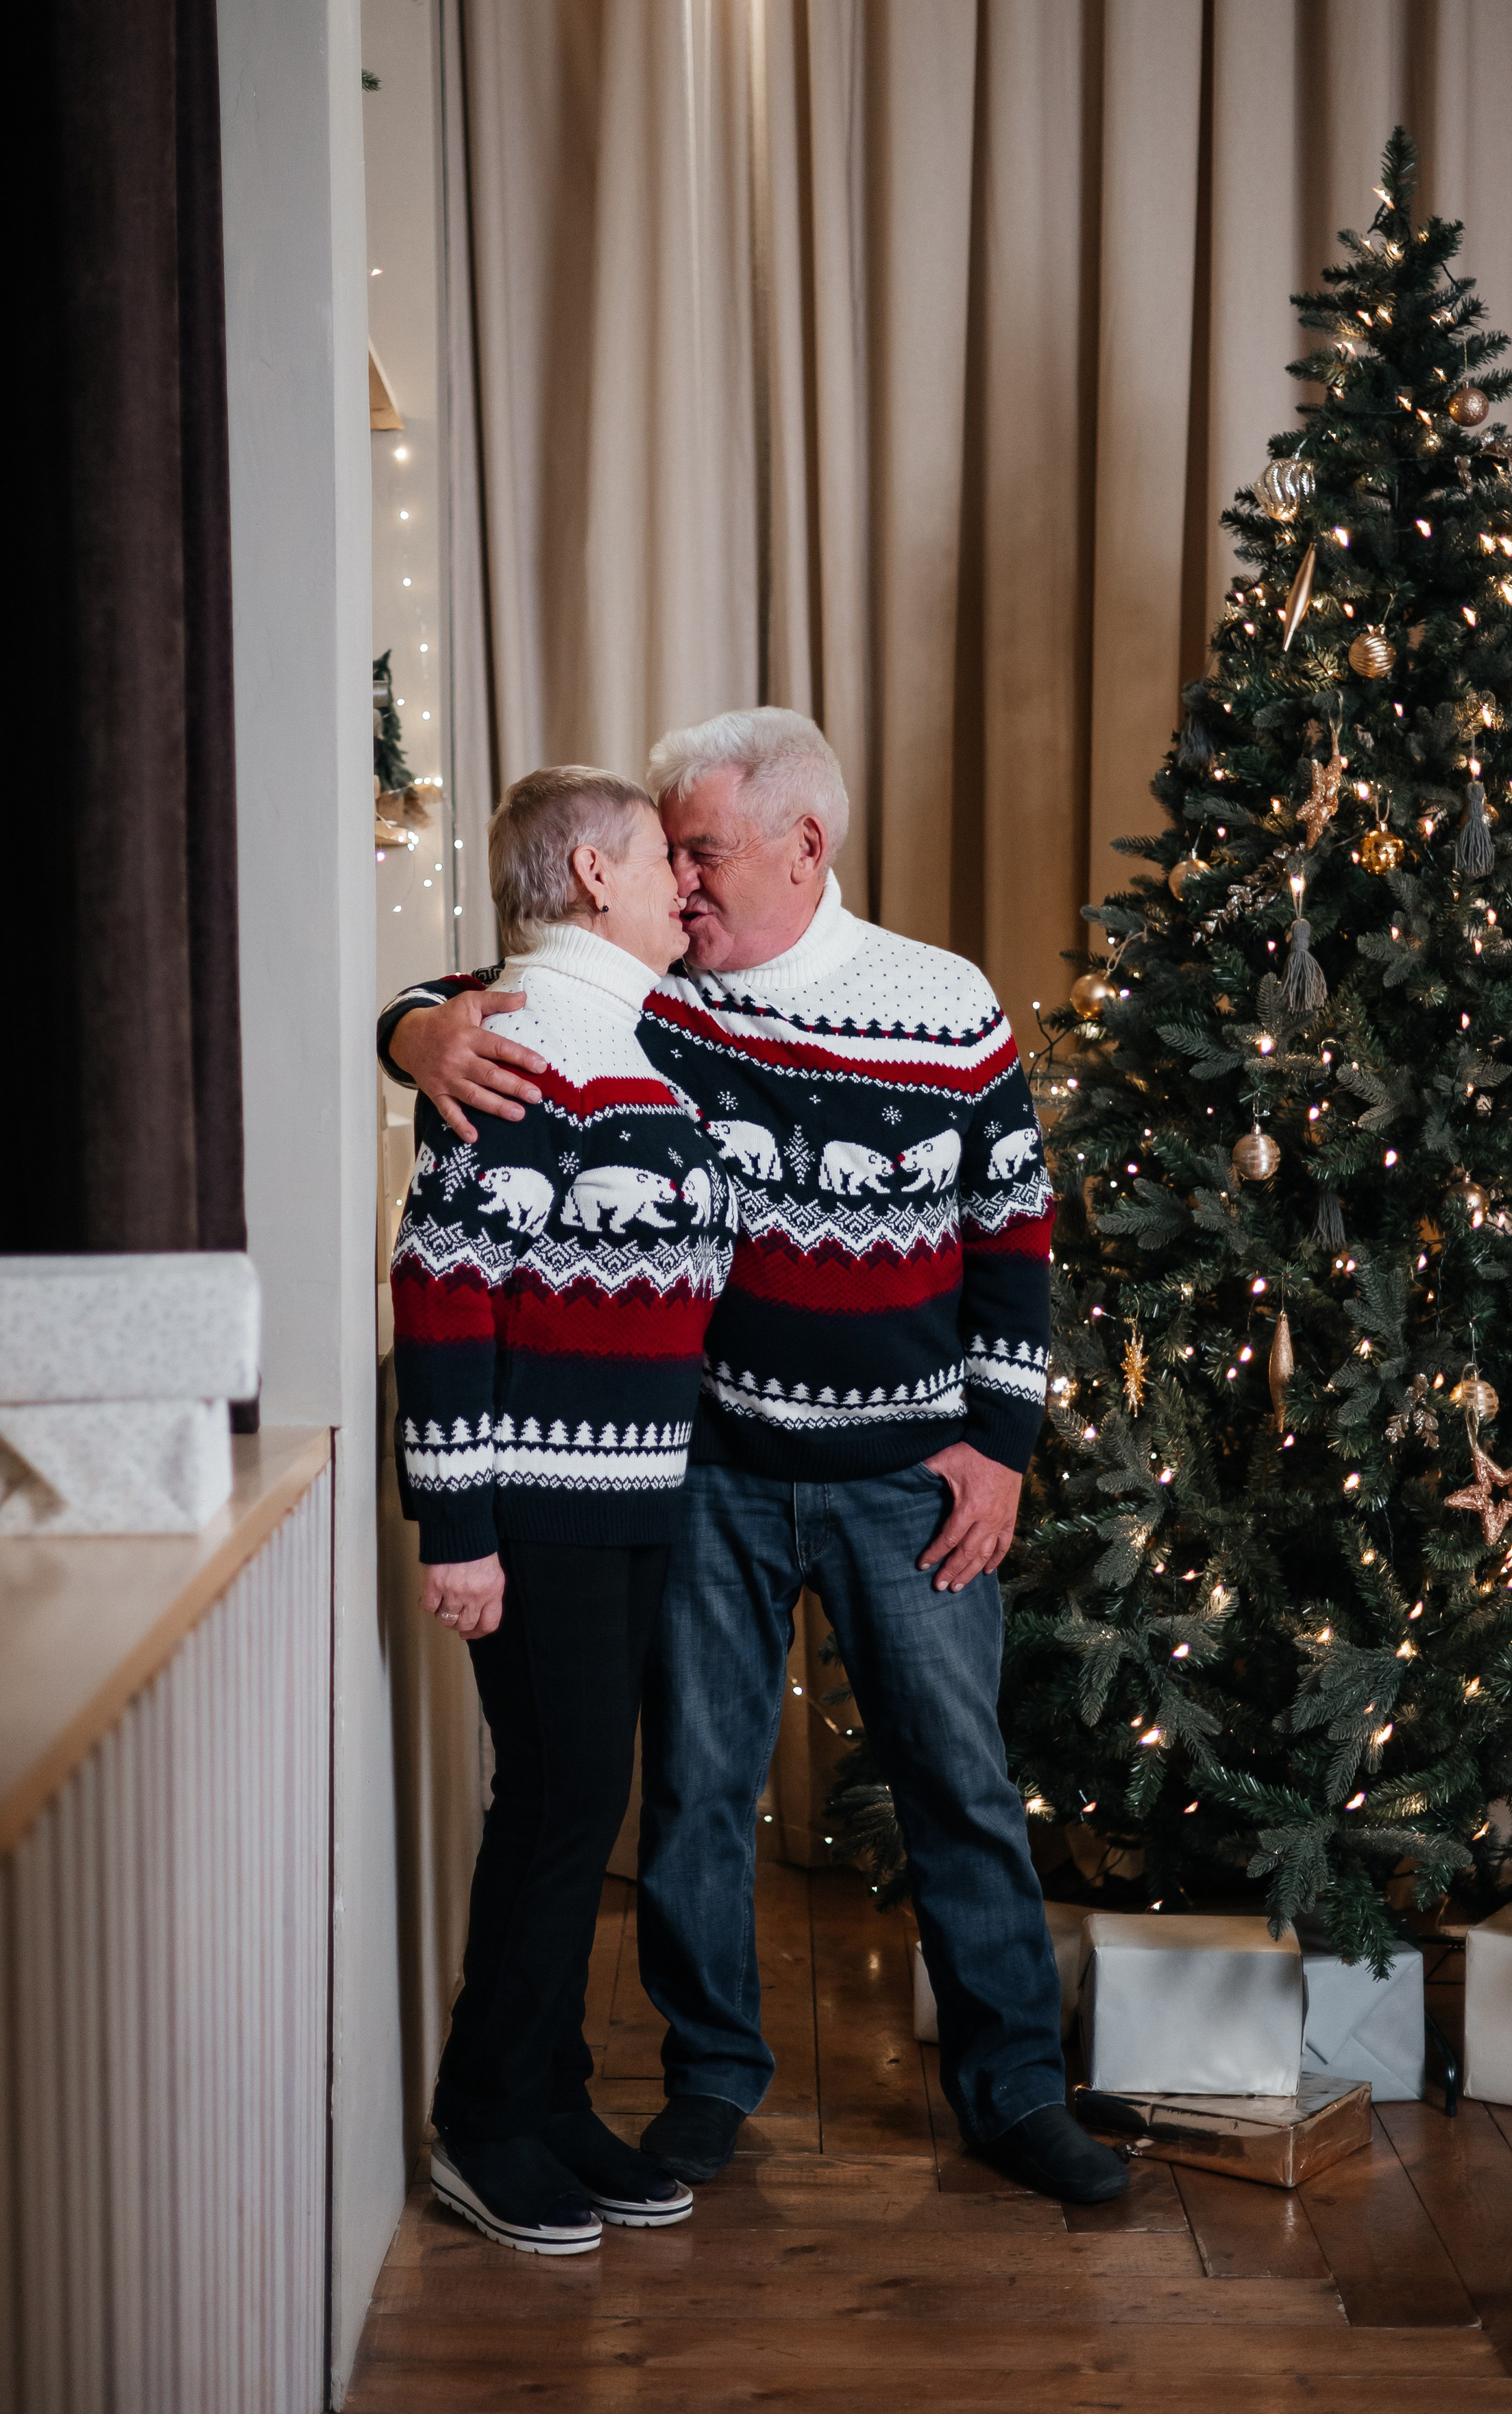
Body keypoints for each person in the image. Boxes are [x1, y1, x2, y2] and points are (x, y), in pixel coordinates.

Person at [382, 709, 1129, 2208]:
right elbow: (471, 999)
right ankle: (710, 2081)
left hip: (908, 1472)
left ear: (807, 844)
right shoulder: (650, 997)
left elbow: (1012, 1238)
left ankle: (1010, 2090)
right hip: (703, 1465)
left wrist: (998, 1445)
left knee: (958, 1782)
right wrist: (411, 1029)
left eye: (702, 851)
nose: (683, 882)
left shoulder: (943, 1002)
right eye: (664, 854)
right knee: (699, 1789)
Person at [391, 765, 740, 2255]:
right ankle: (482, 2120)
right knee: (557, 1803)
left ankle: (551, 2096)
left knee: (576, 1800)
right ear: (593, 874)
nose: (687, 881)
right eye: (665, 858)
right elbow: (442, 1286)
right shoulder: (525, 1042)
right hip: (534, 1502)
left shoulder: (623, 1037)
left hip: (631, 1493)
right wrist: (454, 1522)